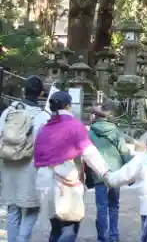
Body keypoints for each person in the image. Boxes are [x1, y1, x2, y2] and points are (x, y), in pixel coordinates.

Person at [34, 91, 110, 242]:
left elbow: (36, 156)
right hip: (66, 182)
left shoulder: (44, 128)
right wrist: (106, 172)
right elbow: (89, 153)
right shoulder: (75, 126)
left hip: (44, 182)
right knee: (69, 226)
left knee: (56, 227)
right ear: (69, 106)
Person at [0, 75, 50, 242]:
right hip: (30, 167)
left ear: (23, 90)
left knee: (13, 208)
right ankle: (21, 239)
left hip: (8, 164)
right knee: (33, 207)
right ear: (41, 93)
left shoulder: (8, 112)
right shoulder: (43, 117)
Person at [89, 102, 133, 242]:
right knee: (113, 206)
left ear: (95, 116)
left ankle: (102, 237)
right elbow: (124, 152)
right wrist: (130, 170)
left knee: (101, 207)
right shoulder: (115, 131)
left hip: (99, 174)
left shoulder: (90, 133)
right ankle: (114, 235)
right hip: (115, 174)